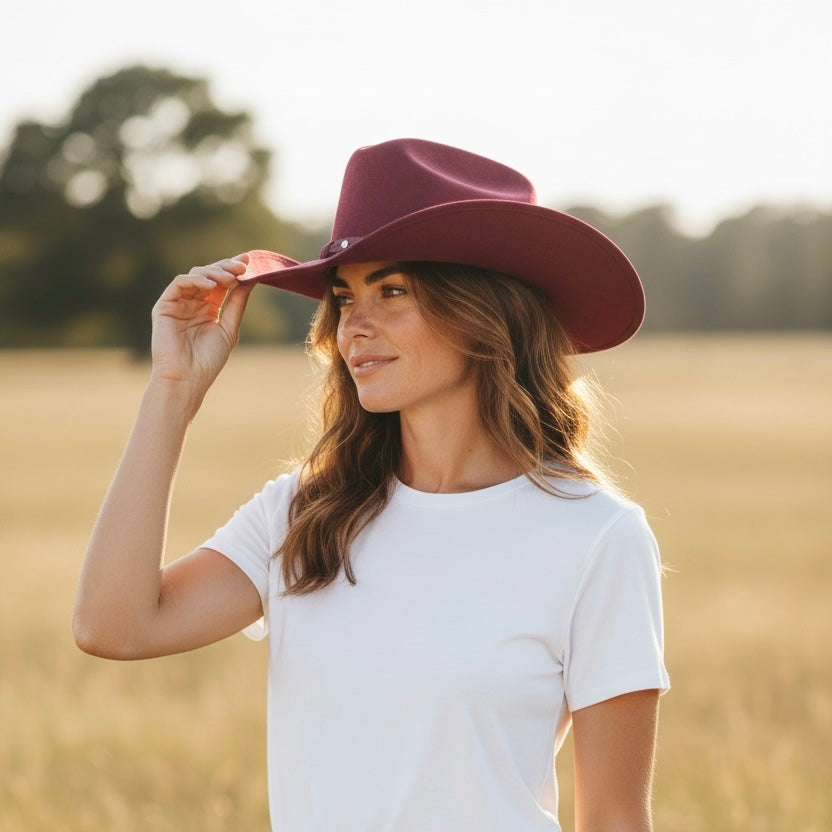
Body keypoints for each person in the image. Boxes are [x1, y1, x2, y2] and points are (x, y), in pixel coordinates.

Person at [74, 138, 670, 832]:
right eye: (343, 296)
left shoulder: (596, 537)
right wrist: (172, 391)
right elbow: (112, 625)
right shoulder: (306, 512)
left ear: (484, 311)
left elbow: (617, 819)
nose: (353, 326)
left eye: (392, 291)